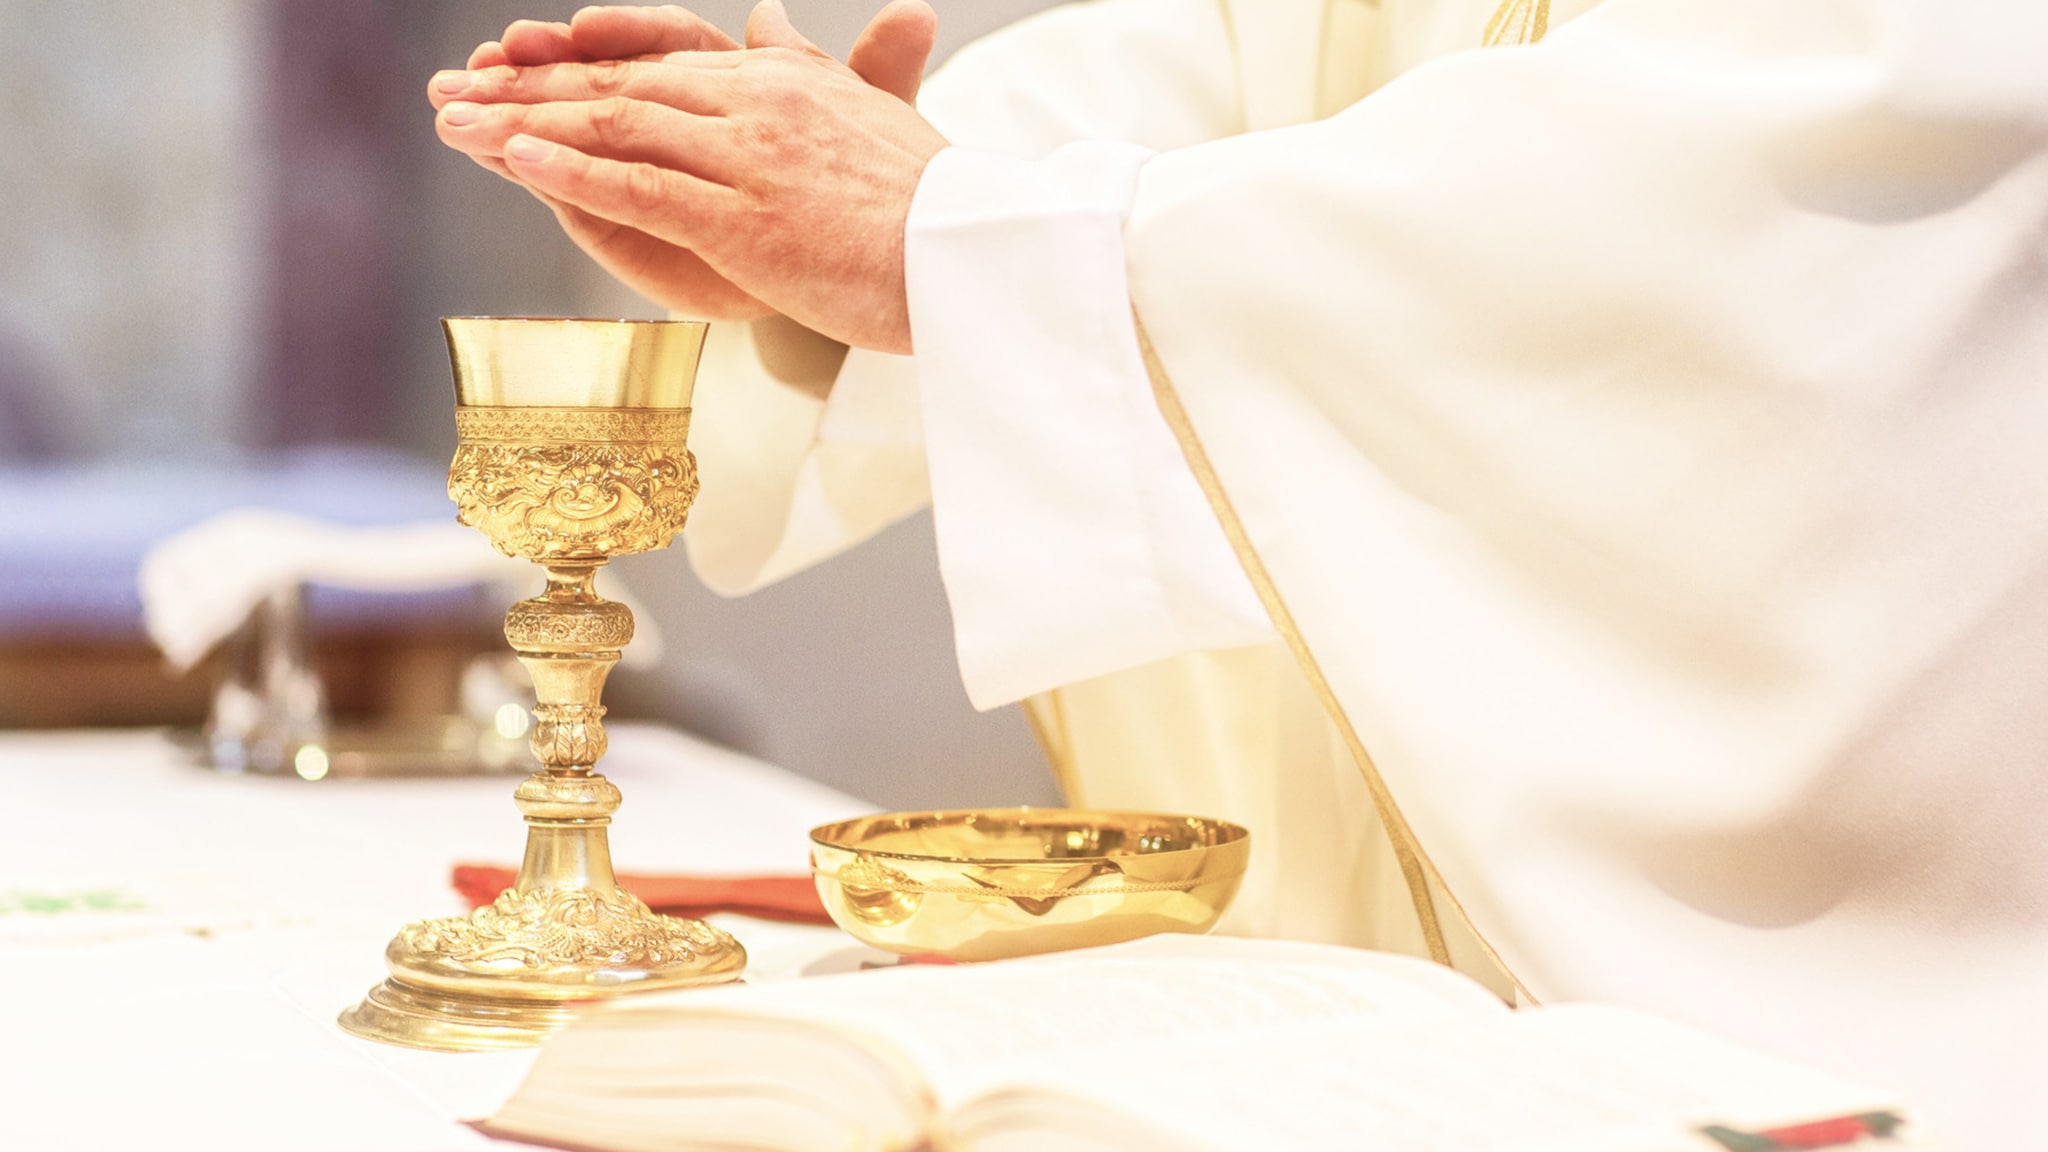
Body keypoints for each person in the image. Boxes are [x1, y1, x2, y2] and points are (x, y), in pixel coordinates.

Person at [429, 2, 2048, 1145]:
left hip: (1841, 1008)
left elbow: (1776, 172)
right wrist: (811, 200)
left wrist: (959, 231)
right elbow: (1232, 57)